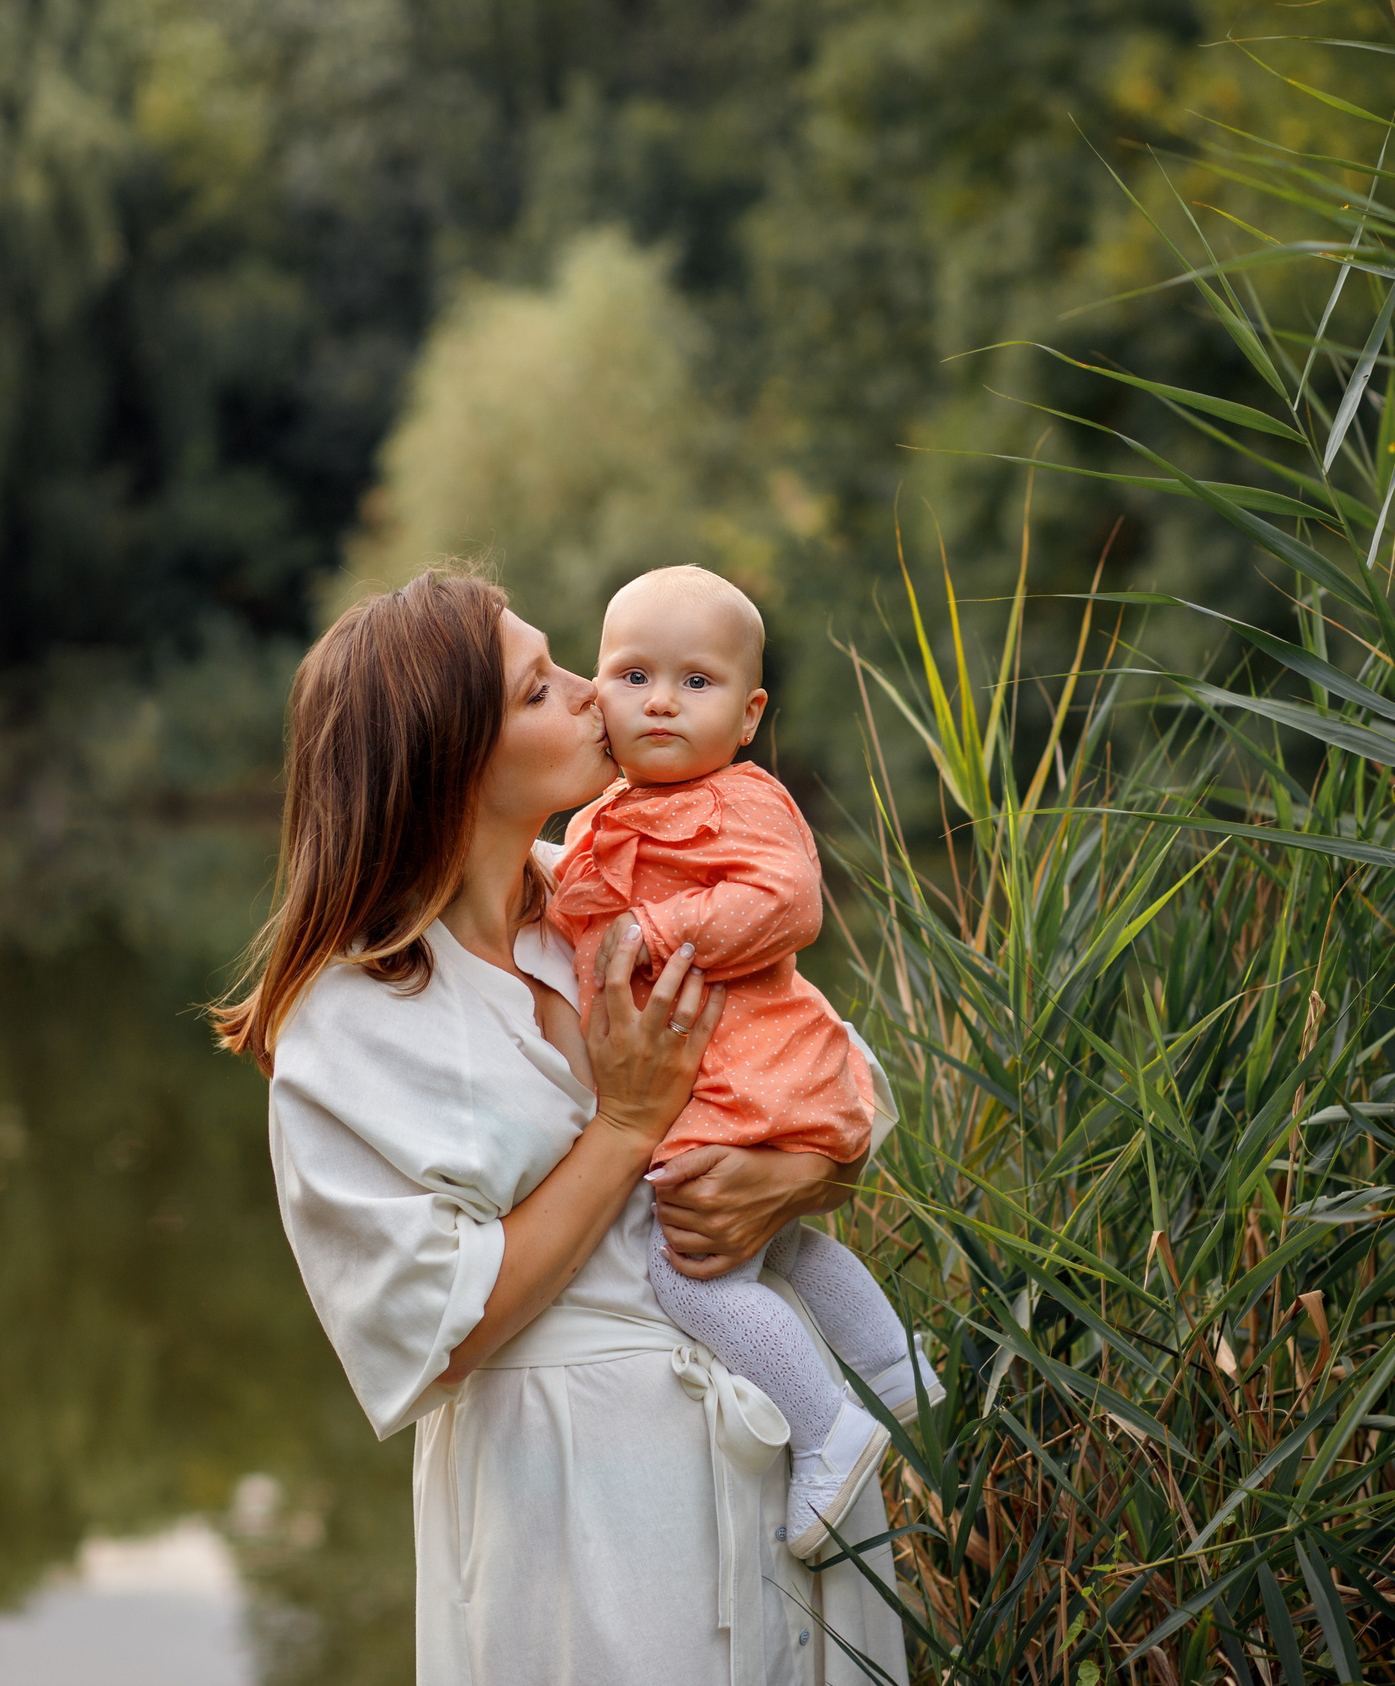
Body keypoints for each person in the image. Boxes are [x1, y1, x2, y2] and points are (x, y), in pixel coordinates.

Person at [213, 568, 908, 1686]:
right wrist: (627, 1125)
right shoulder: (349, 1026)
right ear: (451, 761)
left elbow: (838, 1079)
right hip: (587, 1520)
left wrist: (795, 1179)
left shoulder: (609, 897)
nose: (598, 692)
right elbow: (438, 1331)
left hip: (788, 1479)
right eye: (543, 687)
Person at [549, 566, 944, 1558]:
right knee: (788, 1247)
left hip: (742, 1072)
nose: (661, 701)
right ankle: (894, 1370)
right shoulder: (599, 816)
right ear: (596, 692)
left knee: (689, 1269)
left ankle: (827, 1425)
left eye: (696, 681)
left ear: (751, 713)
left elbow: (792, 902)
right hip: (720, 1077)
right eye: (633, 675)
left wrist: (658, 924)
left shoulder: (741, 798)